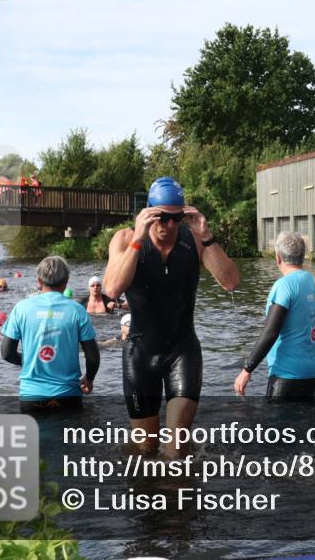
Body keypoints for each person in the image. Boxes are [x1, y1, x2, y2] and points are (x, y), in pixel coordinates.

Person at [103, 176, 240, 458]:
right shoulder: (126, 239)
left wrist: (206, 235)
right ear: (148, 214)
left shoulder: (195, 240)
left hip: (182, 350)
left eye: (176, 219)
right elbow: (113, 288)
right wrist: (139, 240)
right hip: (140, 354)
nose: (168, 226)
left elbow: (231, 283)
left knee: (177, 449)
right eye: (161, 218)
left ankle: (179, 497)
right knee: (145, 448)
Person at [235, 232, 315, 402]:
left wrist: (247, 369)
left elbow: (270, 332)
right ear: (302, 256)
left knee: (277, 426)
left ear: (278, 258)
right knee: (306, 426)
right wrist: (310, 360)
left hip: (285, 374)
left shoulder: (283, 286)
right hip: (312, 372)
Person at [1, 255, 99, 413]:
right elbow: (93, 357)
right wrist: (89, 378)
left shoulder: (21, 308)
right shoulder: (77, 310)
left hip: (31, 396)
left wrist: (30, 362)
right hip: (68, 395)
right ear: (66, 281)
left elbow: (6, 353)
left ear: (39, 281)